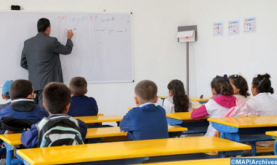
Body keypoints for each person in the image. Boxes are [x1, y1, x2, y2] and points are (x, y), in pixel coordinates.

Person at [20, 18, 74, 107]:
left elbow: (23, 63)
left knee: (35, 111)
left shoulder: (27, 43)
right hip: (49, 86)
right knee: (45, 111)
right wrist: (69, 39)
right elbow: (67, 50)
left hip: (33, 85)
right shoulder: (51, 41)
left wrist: (34, 69)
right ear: (48, 29)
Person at [21, 82, 87, 148]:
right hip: (72, 157)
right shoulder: (79, 125)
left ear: (44, 105)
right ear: (68, 106)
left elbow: (25, 139)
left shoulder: (40, 127)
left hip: (48, 158)